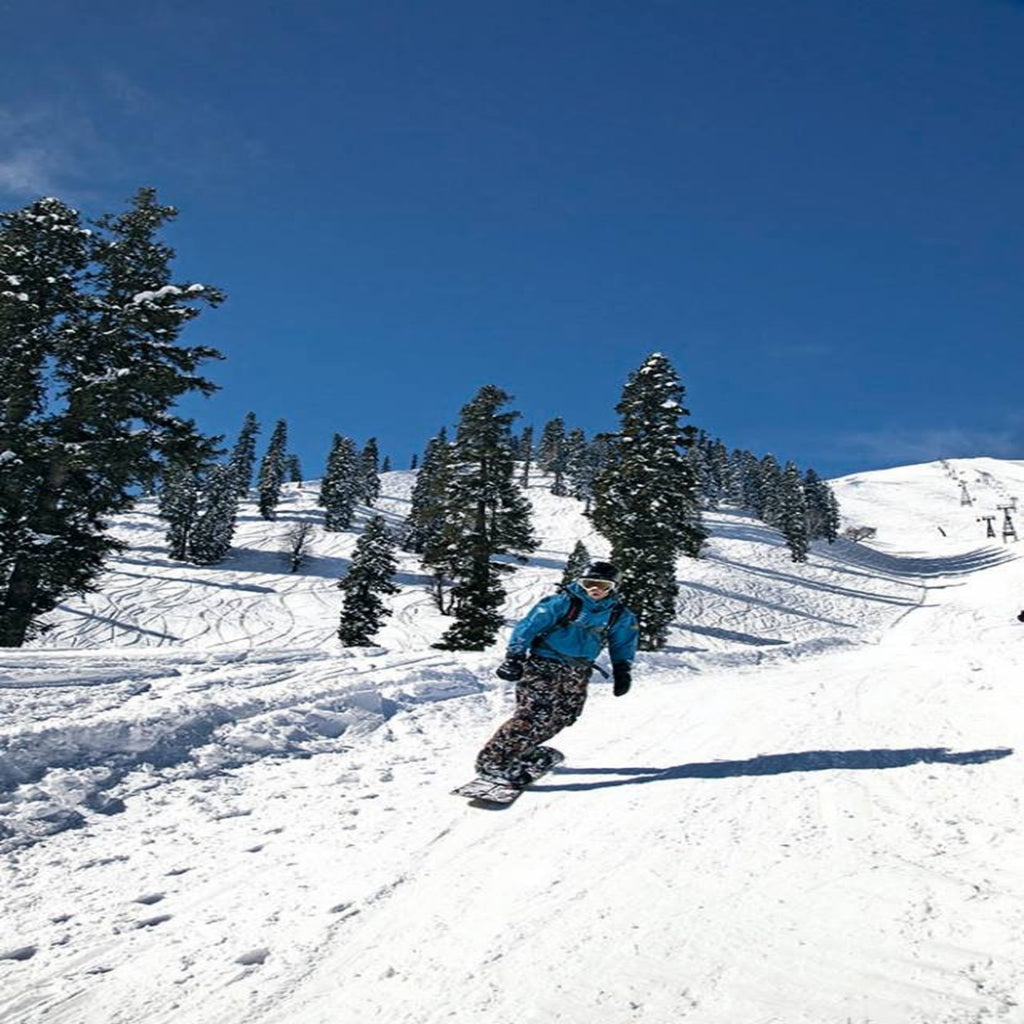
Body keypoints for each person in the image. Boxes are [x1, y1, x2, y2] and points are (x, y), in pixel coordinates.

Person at [475, 560, 639, 785]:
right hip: (544, 664)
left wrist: (623, 669)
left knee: (565, 715)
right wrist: (514, 657)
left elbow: (623, 642)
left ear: (614, 587)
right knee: (535, 714)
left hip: (578, 670)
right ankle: (494, 761)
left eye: (603, 585)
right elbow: (528, 627)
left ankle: (524, 750)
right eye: (589, 583)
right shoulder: (562, 603)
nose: (595, 590)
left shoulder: (619, 614)